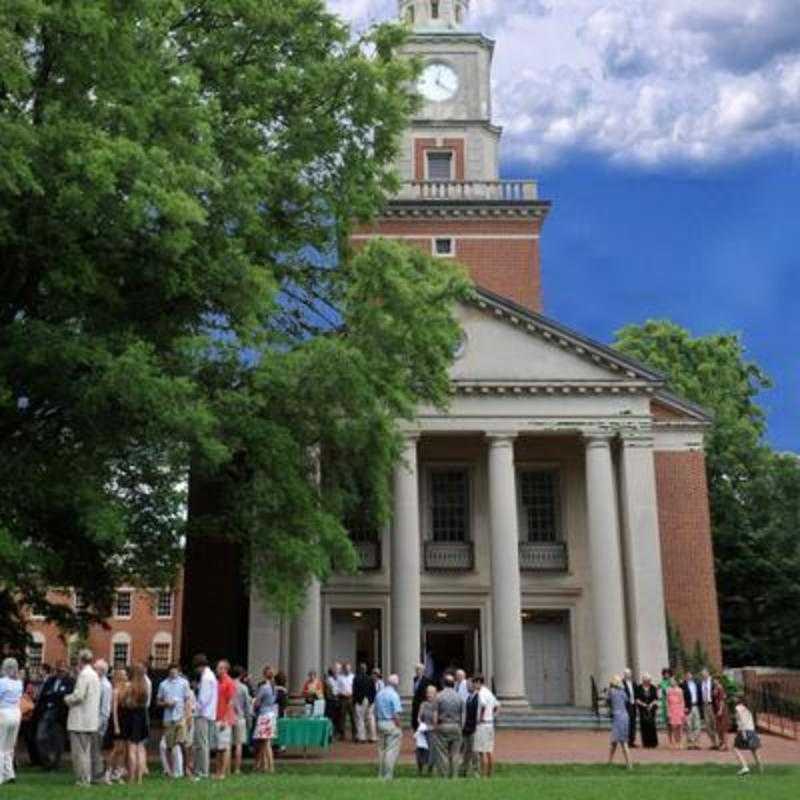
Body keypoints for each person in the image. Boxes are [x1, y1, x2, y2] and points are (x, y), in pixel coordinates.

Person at [64, 649, 101, 787]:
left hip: (80, 719)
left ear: (81, 660)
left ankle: (83, 779)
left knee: (80, 752)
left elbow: (79, 696)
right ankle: (86, 777)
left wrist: (67, 698)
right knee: (86, 751)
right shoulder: (94, 674)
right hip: (90, 719)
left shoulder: (84, 675)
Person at [33, 660, 73, 770]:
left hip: (60, 714)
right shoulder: (50, 680)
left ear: (66, 670)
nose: (60, 672)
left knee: (58, 740)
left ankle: (55, 764)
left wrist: (53, 694)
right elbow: (43, 695)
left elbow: (67, 695)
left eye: (63, 670)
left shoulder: (70, 681)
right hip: (46, 711)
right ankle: (47, 762)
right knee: (40, 737)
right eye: (59, 670)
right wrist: (55, 695)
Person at [157, 663, 192, 778]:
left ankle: (185, 769)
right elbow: (158, 702)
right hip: (168, 718)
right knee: (170, 745)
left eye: (175, 671)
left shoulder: (184, 683)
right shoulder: (163, 685)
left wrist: (188, 717)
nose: (173, 673)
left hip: (180, 717)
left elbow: (187, 700)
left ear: (178, 671)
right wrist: (166, 703)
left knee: (182, 743)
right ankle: (172, 770)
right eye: (171, 672)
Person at [121, 663, 150, 785]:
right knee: (141, 749)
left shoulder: (130, 686)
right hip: (142, 717)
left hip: (131, 718)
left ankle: (132, 777)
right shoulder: (145, 686)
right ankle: (140, 779)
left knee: (132, 749)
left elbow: (123, 702)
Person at [432, 672, 465, 779]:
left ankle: (444, 775)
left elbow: (435, 714)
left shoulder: (438, 696)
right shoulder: (459, 697)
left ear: (443, 684)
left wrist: (435, 727)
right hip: (456, 726)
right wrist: (461, 727)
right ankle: (455, 775)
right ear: (453, 684)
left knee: (443, 753)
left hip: (443, 725)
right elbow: (463, 714)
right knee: (455, 753)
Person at [192, 653, 218, 781]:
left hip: (203, 714)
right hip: (208, 714)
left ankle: (202, 771)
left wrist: (194, 708)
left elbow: (203, 699)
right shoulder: (210, 675)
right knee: (202, 743)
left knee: (201, 744)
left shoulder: (206, 678)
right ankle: (200, 770)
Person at [0, 657, 23, 785]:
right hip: (16, 713)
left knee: (0, 745)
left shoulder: (2, 682)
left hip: (4, 713)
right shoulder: (19, 683)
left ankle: (1, 776)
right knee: (9, 746)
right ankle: (9, 774)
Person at [374, 674, 402, 780]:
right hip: (391, 723)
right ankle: (388, 775)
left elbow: (375, 710)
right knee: (391, 751)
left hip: (380, 722)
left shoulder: (379, 693)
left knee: (381, 750)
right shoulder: (394, 695)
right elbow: (396, 714)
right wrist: (399, 726)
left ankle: (380, 774)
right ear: (395, 684)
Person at [214, 660, 236, 780]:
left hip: (225, 718)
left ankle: (223, 772)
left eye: (220, 668)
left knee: (225, 746)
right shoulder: (218, 682)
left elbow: (230, 702)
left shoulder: (229, 682)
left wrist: (224, 719)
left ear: (225, 669)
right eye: (218, 668)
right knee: (218, 747)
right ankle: (218, 771)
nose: (218, 670)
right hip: (217, 717)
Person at [252, 666, 276, 774]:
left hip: (264, 715)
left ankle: (271, 766)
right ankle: (263, 765)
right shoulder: (274, 687)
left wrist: (254, 703)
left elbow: (257, 702)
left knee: (266, 743)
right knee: (264, 741)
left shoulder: (264, 687)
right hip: (271, 714)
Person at [108, 667, 130, 783]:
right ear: (119, 676)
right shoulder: (115, 691)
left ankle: (118, 773)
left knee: (123, 749)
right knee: (116, 749)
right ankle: (108, 772)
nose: (126, 676)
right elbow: (114, 710)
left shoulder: (127, 689)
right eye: (124, 674)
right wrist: (116, 725)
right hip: (118, 721)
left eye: (126, 674)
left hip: (126, 721)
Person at [92, 659, 112, 784]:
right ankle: (95, 775)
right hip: (93, 721)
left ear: (102, 671)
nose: (94, 671)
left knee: (96, 751)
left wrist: (98, 726)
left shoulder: (105, 686)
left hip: (98, 724)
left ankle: (100, 776)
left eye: (95, 668)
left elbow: (105, 710)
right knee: (93, 751)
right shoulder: (97, 682)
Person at [474, 675, 499, 777]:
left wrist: (481, 717)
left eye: (475, 682)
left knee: (481, 751)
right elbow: (497, 705)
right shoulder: (489, 692)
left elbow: (483, 705)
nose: (474, 685)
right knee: (489, 750)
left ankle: (483, 774)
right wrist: (492, 715)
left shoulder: (481, 693)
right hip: (490, 723)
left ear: (479, 682)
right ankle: (489, 774)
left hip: (483, 724)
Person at [732, 695, 763, 776]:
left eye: (736, 697)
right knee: (754, 750)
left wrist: (743, 733)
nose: (735, 698)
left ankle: (744, 766)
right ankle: (760, 768)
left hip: (744, 730)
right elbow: (752, 721)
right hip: (752, 730)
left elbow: (740, 721)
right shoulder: (749, 709)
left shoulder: (738, 708)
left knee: (735, 748)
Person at [607, 675, 633, 769]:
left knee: (621, 742)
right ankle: (611, 762)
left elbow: (608, 701)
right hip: (625, 716)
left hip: (617, 717)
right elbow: (627, 701)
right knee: (616, 741)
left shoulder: (611, 691)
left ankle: (628, 764)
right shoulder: (623, 692)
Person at [230, 666, 252, 775]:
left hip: (228, 717)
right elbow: (247, 706)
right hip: (239, 717)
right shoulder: (243, 688)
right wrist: (249, 720)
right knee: (238, 744)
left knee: (228, 744)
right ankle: (237, 769)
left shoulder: (227, 685)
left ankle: (226, 767)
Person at [353, 663, 377, 743]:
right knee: (370, 718)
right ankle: (372, 737)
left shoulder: (356, 678)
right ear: (366, 669)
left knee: (360, 719)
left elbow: (354, 691)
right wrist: (371, 701)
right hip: (368, 700)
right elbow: (373, 691)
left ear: (360, 669)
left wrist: (356, 700)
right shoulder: (370, 679)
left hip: (360, 700)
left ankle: (362, 737)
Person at [460, 679, 479, 778]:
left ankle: (476, 770)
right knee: (466, 750)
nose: (468, 687)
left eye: (469, 685)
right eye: (467, 685)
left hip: (474, 728)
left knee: (474, 751)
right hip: (466, 728)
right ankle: (464, 769)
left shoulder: (478, 697)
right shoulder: (468, 698)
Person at [417, 684, 437, 776]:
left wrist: (432, 726)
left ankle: (430, 769)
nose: (429, 695)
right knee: (420, 750)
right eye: (428, 693)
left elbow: (436, 721)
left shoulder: (436, 705)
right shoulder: (423, 704)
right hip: (423, 730)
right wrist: (420, 722)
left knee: (431, 750)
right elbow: (419, 717)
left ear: (435, 694)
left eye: (431, 693)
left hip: (432, 731)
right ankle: (420, 769)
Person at [635, 673, 659, 749]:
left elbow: (655, 698)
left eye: (648, 680)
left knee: (652, 725)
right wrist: (644, 705)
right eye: (645, 680)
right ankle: (646, 743)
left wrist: (651, 705)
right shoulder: (639, 688)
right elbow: (637, 699)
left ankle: (653, 743)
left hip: (651, 709)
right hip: (643, 709)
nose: (647, 681)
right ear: (643, 680)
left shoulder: (653, 688)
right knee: (644, 725)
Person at [681, 670, 703, 750]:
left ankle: (696, 742)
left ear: (692, 676)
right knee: (688, 725)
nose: (689, 677)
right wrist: (684, 707)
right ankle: (690, 743)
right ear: (685, 677)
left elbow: (700, 695)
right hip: (688, 707)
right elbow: (681, 697)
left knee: (697, 725)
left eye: (690, 675)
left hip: (696, 706)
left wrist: (701, 706)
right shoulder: (682, 685)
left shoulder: (696, 684)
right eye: (687, 676)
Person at [337, 662, 356, 741]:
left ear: (350, 669)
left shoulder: (353, 677)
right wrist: (340, 693)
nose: (347, 670)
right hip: (343, 698)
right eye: (346, 668)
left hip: (351, 698)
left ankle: (354, 734)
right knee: (342, 717)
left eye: (349, 668)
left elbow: (355, 687)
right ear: (344, 669)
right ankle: (342, 734)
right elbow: (337, 688)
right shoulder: (340, 678)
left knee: (353, 717)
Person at [411, 663, 433, 731]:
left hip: (422, 702)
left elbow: (427, 692)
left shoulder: (426, 680)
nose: (417, 671)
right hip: (415, 702)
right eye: (416, 670)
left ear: (423, 671)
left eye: (419, 670)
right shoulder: (415, 679)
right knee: (414, 719)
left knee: (421, 719)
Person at [666, 677, 686, 749]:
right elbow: (667, 702)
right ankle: (675, 742)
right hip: (672, 709)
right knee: (673, 727)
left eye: (673, 681)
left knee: (680, 727)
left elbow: (682, 701)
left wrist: (682, 711)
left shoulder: (680, 690)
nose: (672, 683)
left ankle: (680, 742)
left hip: (679, 709)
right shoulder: (668, 690)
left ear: (676, 682)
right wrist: (668, 712)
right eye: (671, 681)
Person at [712, 674, 730, 751]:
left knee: (723, 728)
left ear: (718, 680)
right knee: (719, 728)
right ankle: (721, 743)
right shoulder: (715, 688)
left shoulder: (720, 688)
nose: (714, 681)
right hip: (716, 709)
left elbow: (722, 700)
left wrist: (720, 710)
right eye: (713, 680)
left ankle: (725, 745)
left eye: (715, 680)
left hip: (721, 709)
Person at [622, 668, 638, 748]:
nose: (628, 675)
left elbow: (637, 693)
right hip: (626, 706)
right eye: (626, 674)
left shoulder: (634, 683)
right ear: (624, 675)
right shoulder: (622, 684)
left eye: (629, 673)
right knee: (626, 723)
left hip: (633, 705)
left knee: (633, 723)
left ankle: (632, 741)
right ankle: (626, 741)